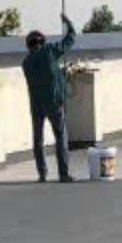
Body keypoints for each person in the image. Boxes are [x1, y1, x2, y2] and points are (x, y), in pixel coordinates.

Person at [23, 12, 77, 181]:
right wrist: (68, 23)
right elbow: (70, 39)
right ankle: (63, 174)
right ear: (42, 42)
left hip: (36, 104)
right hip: (53, 102)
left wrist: (61, 71)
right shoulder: (49, 51)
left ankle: (42, 174)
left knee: (38, 139)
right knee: (61, 136)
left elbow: (43, 76)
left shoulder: (26, 62)